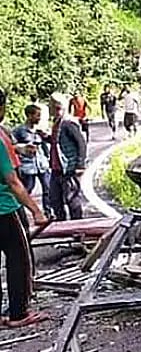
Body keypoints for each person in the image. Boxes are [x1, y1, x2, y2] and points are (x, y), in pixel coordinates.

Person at [0, 90, 48, 327]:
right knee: (20, 258)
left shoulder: (4, 135)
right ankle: (19, 312)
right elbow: (13, 181)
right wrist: (36, 210)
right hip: (6, 208)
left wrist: (18, 150)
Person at [47, 93, 87, 221]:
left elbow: (81, 142)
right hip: (56, 168)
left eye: (58, 108)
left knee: (72, 199)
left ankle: (77, 228)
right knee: (55, 199)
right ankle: (62, 225)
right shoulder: (57, 123)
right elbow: (57, 142)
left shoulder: (68, 123)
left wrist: (80, 164)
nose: (56, 111)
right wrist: (45, 137)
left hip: (68, 168)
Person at [12, 104, 52, 217]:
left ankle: (48, 213)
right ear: (29, 116)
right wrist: (23, 148)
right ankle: (20, 212)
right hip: (28, 167)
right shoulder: (19, 131)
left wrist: (46, 136)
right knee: (27, 190)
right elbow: (12, 146)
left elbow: (48, 143)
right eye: (37, 115)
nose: (39, 118)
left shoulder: (41, 130)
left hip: (42, 164)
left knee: (48, 189)